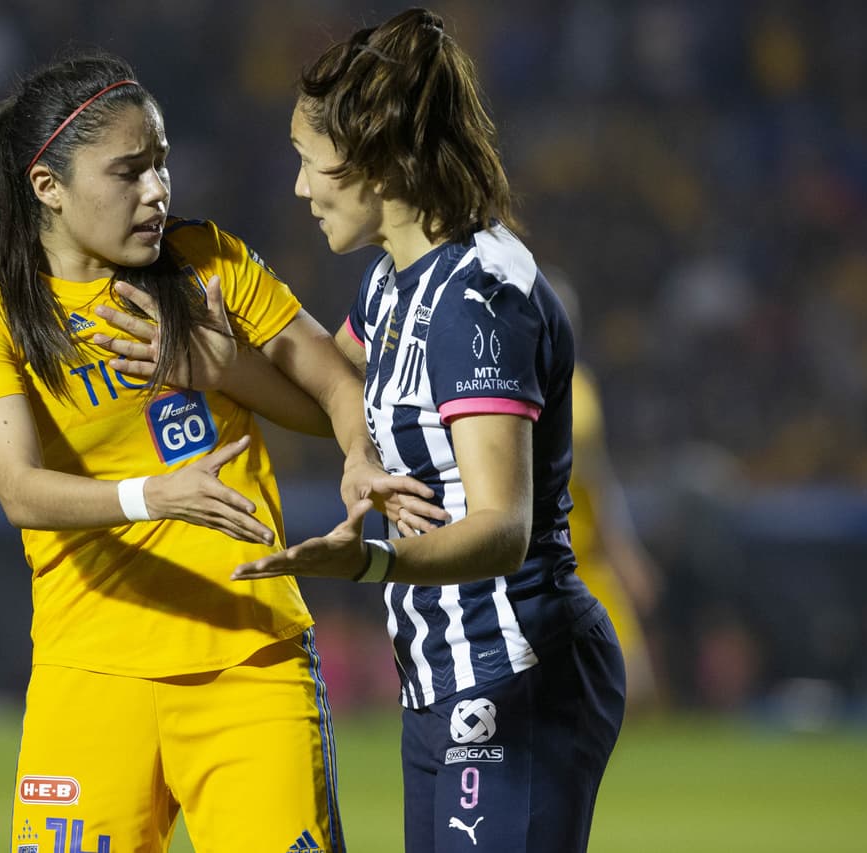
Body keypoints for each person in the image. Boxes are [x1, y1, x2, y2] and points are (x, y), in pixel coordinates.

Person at [0, 50, 440, 853]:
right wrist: (152, 494)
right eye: (129, 171)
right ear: (48, 188)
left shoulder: (209, 261)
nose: (157, 190)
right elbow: (20, 491)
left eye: (162, 164)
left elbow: (342, 391)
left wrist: (249, 385)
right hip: (89, 673)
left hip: (251, 659)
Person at [232, 9, 626, 851]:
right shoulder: (391, 284)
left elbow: (501, 527)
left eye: (312, 164)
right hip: (443, 676)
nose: (300, 189)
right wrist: (196, 359)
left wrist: (368, 560)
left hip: (515, 670)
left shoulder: (477, 303)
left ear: (375, 161)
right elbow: (329, 391)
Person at [554, 277, 665, 712]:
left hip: (587, 560)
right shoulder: (502, 386)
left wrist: (625, 552)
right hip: (536, 563)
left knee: (634, 685)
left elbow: (598, 477)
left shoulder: (580, 386)